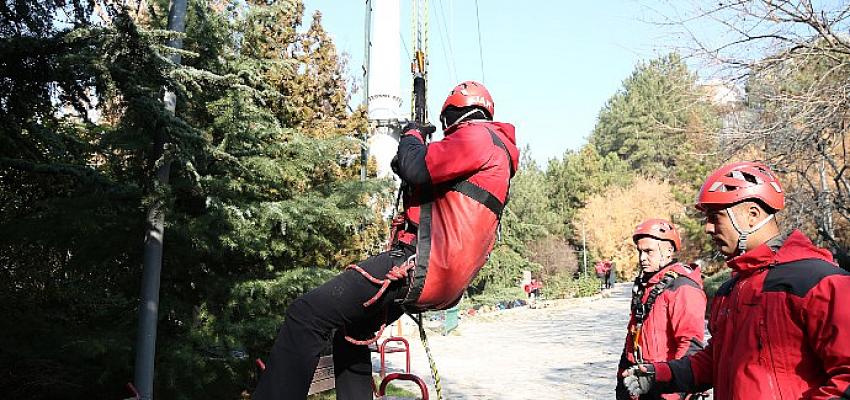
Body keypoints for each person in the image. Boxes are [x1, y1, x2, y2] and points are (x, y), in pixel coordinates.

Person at [253, 81, 519, 399]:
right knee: (352, 332)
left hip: (416, 264)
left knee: (306, 315)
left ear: (454, 115)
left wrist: (412, 133)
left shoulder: (477, 137)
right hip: (441, 277)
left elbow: (415, 167)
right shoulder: (498, 156)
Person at [623, 161, 850, 400]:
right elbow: (714, 361)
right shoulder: (730, 290)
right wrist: (660, 374)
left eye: (715, 216)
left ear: (752, 215)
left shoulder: (821, 282)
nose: (708, 229)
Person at [616, 219, 707, 400]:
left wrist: (674, 394)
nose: (642, 258)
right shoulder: (646, 285)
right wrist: (622, 381)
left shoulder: (682, 287)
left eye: (648, 251)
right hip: (639, 383)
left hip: (664, 386)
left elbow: (690, 345)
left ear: (668, 250)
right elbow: (633, 337)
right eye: (639, 251)